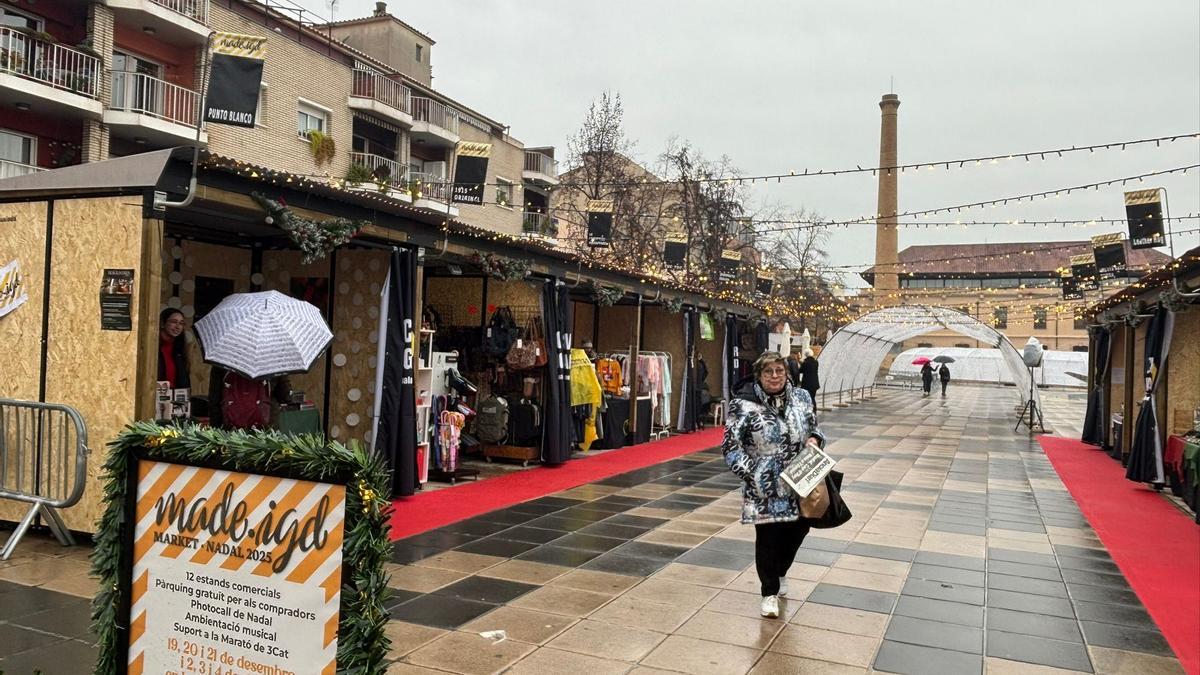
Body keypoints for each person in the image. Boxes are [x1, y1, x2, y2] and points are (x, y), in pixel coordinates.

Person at [723, 351, 824, 619]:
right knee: (768, 538)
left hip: (800, 479)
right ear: (759, 375)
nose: (775, 376)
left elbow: (815, 427)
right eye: (768, 372)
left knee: (798, 530)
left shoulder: (802, 397)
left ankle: (780, 570)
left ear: (787, 373)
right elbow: (731, 447)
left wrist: (814, 439)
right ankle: (769, 592)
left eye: (779, 371)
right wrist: (752, 473)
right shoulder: (742, 405)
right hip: (764, 484)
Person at [158, 308, 191, 390]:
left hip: (176, 398)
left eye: (181, 323)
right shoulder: (153, 347)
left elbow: (184, 381)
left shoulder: (180, 348)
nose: (178, 327)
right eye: (174, 322)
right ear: (162, 323)